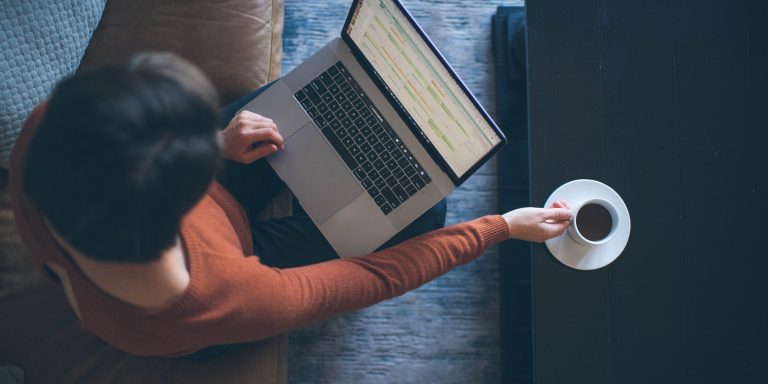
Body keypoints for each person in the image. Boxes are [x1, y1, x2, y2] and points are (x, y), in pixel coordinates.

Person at [10, 53, 573, 357]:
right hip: (238, 251)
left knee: (292, 106)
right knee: (426, 213)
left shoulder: (49, 134)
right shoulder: (229, 297)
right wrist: (501, 226)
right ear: (184, 197)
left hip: (153, 226)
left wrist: (218, 142)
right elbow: (374, 277)